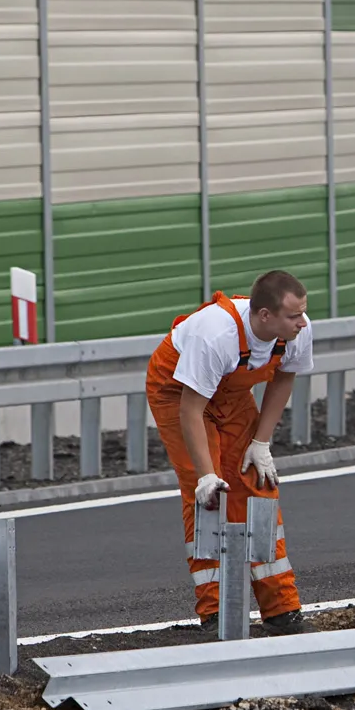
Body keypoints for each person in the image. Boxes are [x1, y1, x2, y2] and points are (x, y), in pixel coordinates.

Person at [145, 270, 317, 635]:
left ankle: (281, 608)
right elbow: (191, 409)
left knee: (257, 481)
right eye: (293, 315)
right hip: (177, 391)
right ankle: (216, 610)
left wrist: (261, 443)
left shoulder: (295, 332)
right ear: (265, 316)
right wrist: (206, 475)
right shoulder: (216, 335)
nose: (302, 322)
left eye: (302, 313)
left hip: (231, 395)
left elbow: (284, 377)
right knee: (209, 495)